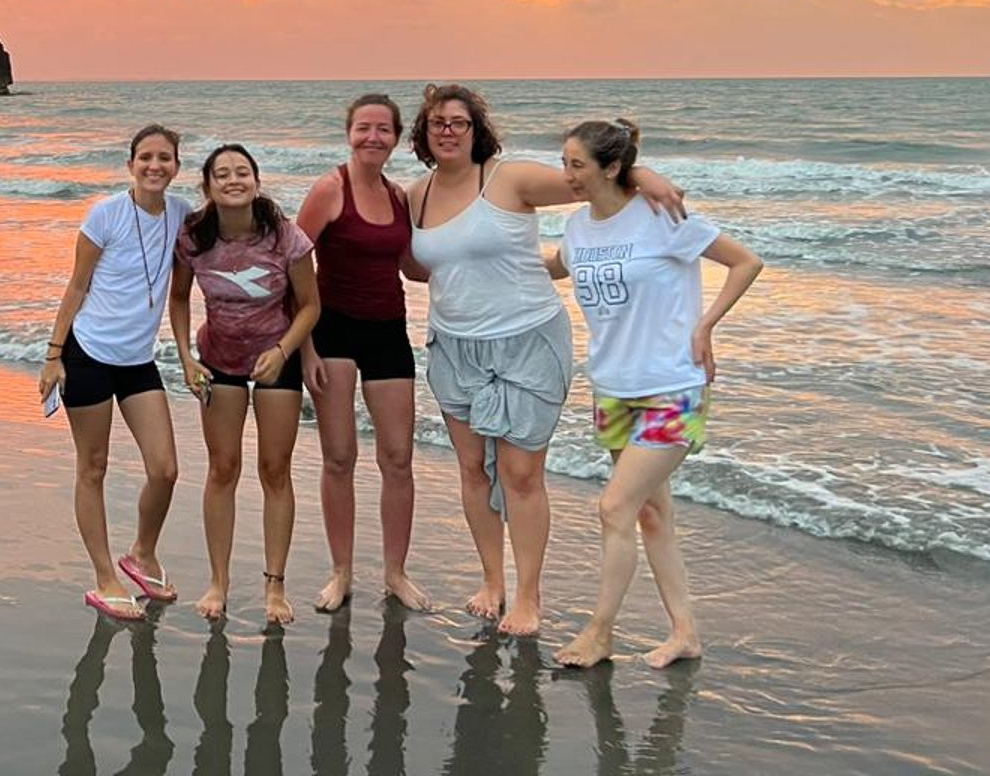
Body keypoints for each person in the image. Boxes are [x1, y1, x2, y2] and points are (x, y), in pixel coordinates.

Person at [406, 83, 684, 637]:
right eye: (437, 122)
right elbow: (414, 264)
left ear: (476, 130)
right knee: (471, 469)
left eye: (459, 122)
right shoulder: (416, 194)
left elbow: (592, 180)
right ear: (423, 132)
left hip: (527, 339)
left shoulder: (511, 178)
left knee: (521, 473)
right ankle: (492, 581)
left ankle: (528, 596)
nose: (448, 131)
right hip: (453, 345)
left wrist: (644, 174)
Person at [547, 118, 763, 668]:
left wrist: (706, 324)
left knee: (614, 507)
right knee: (651, 514)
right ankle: (685, 634)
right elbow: (556, 266)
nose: (567, 175)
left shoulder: (661, 216)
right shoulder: (577, 227)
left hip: (671, 386)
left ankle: (600, 633)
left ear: (612, 167)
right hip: (612, 387)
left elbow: (745, 262)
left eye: (577, 165)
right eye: (564, 163)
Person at [39, 124, 190, 620]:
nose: (154, 166)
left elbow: (222, 244)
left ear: (176, 166)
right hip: (88, 354)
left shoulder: (182, 214)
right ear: (130, 165)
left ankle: (142, 554)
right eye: (145, 157)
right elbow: (77, 286)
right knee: (93, 467)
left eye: (164, 158)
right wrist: (53, 355)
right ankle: (105, 577)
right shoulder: (104, 214)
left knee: (165, 469)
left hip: (138, 361)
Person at [168, 144, 322, 624]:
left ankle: (275, 587)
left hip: (276, 361)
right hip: (218, 361)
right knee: (223, 468)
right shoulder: (194, 236)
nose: (233, 180)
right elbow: (178, 298)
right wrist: (186, 357)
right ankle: (219, 582)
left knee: (275, 470)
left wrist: (283, 351)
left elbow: (310, 305)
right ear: (208, 186)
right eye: (222, 174)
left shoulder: (285, 237)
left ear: (256, 180)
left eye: (242, 172)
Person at [296, 93, 430, 613]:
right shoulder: (330, 190)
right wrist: (305, 348)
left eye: (383, 129)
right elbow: (292, 265)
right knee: (339, 457)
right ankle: (341, 573)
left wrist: (474, 262)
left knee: (398, 458)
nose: (373, 137)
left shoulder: (398, 196)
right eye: (363, 128)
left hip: (388, 331)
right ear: (349, 133)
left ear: (396, 138)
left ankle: (396, 573)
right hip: (332, 331)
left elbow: (411, 267)